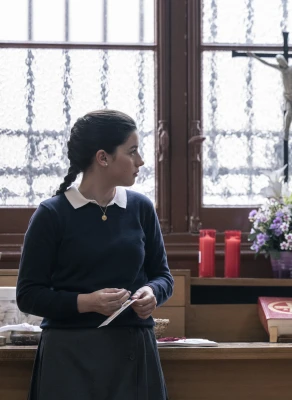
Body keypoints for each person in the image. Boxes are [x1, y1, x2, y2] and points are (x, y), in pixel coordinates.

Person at [17, 109, 174, 400]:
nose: (141, 161)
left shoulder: (141, 208)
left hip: (133, 352)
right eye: (132, 151)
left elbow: (163, 276)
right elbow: (28, 295)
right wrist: (87, 302)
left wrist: (152, 292)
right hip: (68, 357)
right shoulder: (51, 214)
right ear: (103, 158)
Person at [247, 52, 292, 140]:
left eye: (281, 61)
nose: (281, 63)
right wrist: (254, 56)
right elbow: (266, 63)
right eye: (279, 62)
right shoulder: (281, 69)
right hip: (287, 96)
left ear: (284, 61)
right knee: (289, 113)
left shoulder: (291, 68)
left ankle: (286, 129)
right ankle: (286, 131)